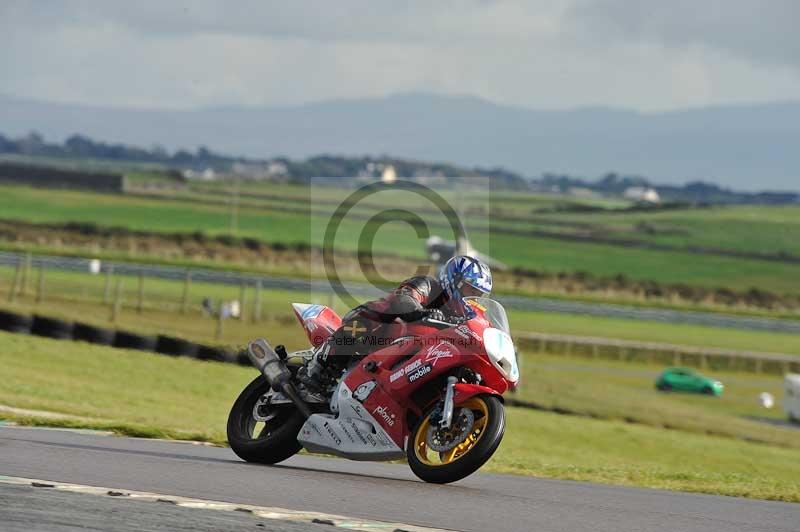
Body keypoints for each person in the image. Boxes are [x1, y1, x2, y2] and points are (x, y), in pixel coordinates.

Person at [300, 255, 493, 390]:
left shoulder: (466, 317)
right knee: (375, 317)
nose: (474, 298)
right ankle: (319, 367)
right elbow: (404, 298)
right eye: (470, 290)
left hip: (412, 355)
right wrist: (421, 311)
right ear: (454, 281)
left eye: (479, 294)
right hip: (378, 333)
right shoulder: (429, 285)